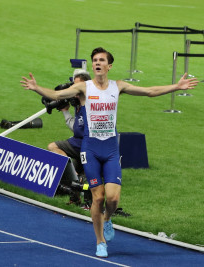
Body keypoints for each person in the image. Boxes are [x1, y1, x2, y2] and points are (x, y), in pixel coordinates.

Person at [20, 47, 198, 258]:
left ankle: (107, 219)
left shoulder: (118, 86)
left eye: (101, 60)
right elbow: (57, 94)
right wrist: (36, 88)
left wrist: (176, 86)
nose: (97, 63)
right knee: (98, 198)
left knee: (112, 200)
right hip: (91, 149)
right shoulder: (84, 88)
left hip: (111, 149)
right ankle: (100, 241)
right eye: (95, 60)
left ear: (109, 66)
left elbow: (149, 91)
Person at [47, 70, 91, 205]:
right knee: (56, 150)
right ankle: (75, 180)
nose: (73, 89)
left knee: (53, 147)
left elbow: (82, 130)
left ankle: (76, 179)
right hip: (78, 142)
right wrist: (65, 111)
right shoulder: (78, 102)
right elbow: (77, 128)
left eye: (76, 86)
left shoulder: (89, 103)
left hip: (88, 144)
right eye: (73, 85)